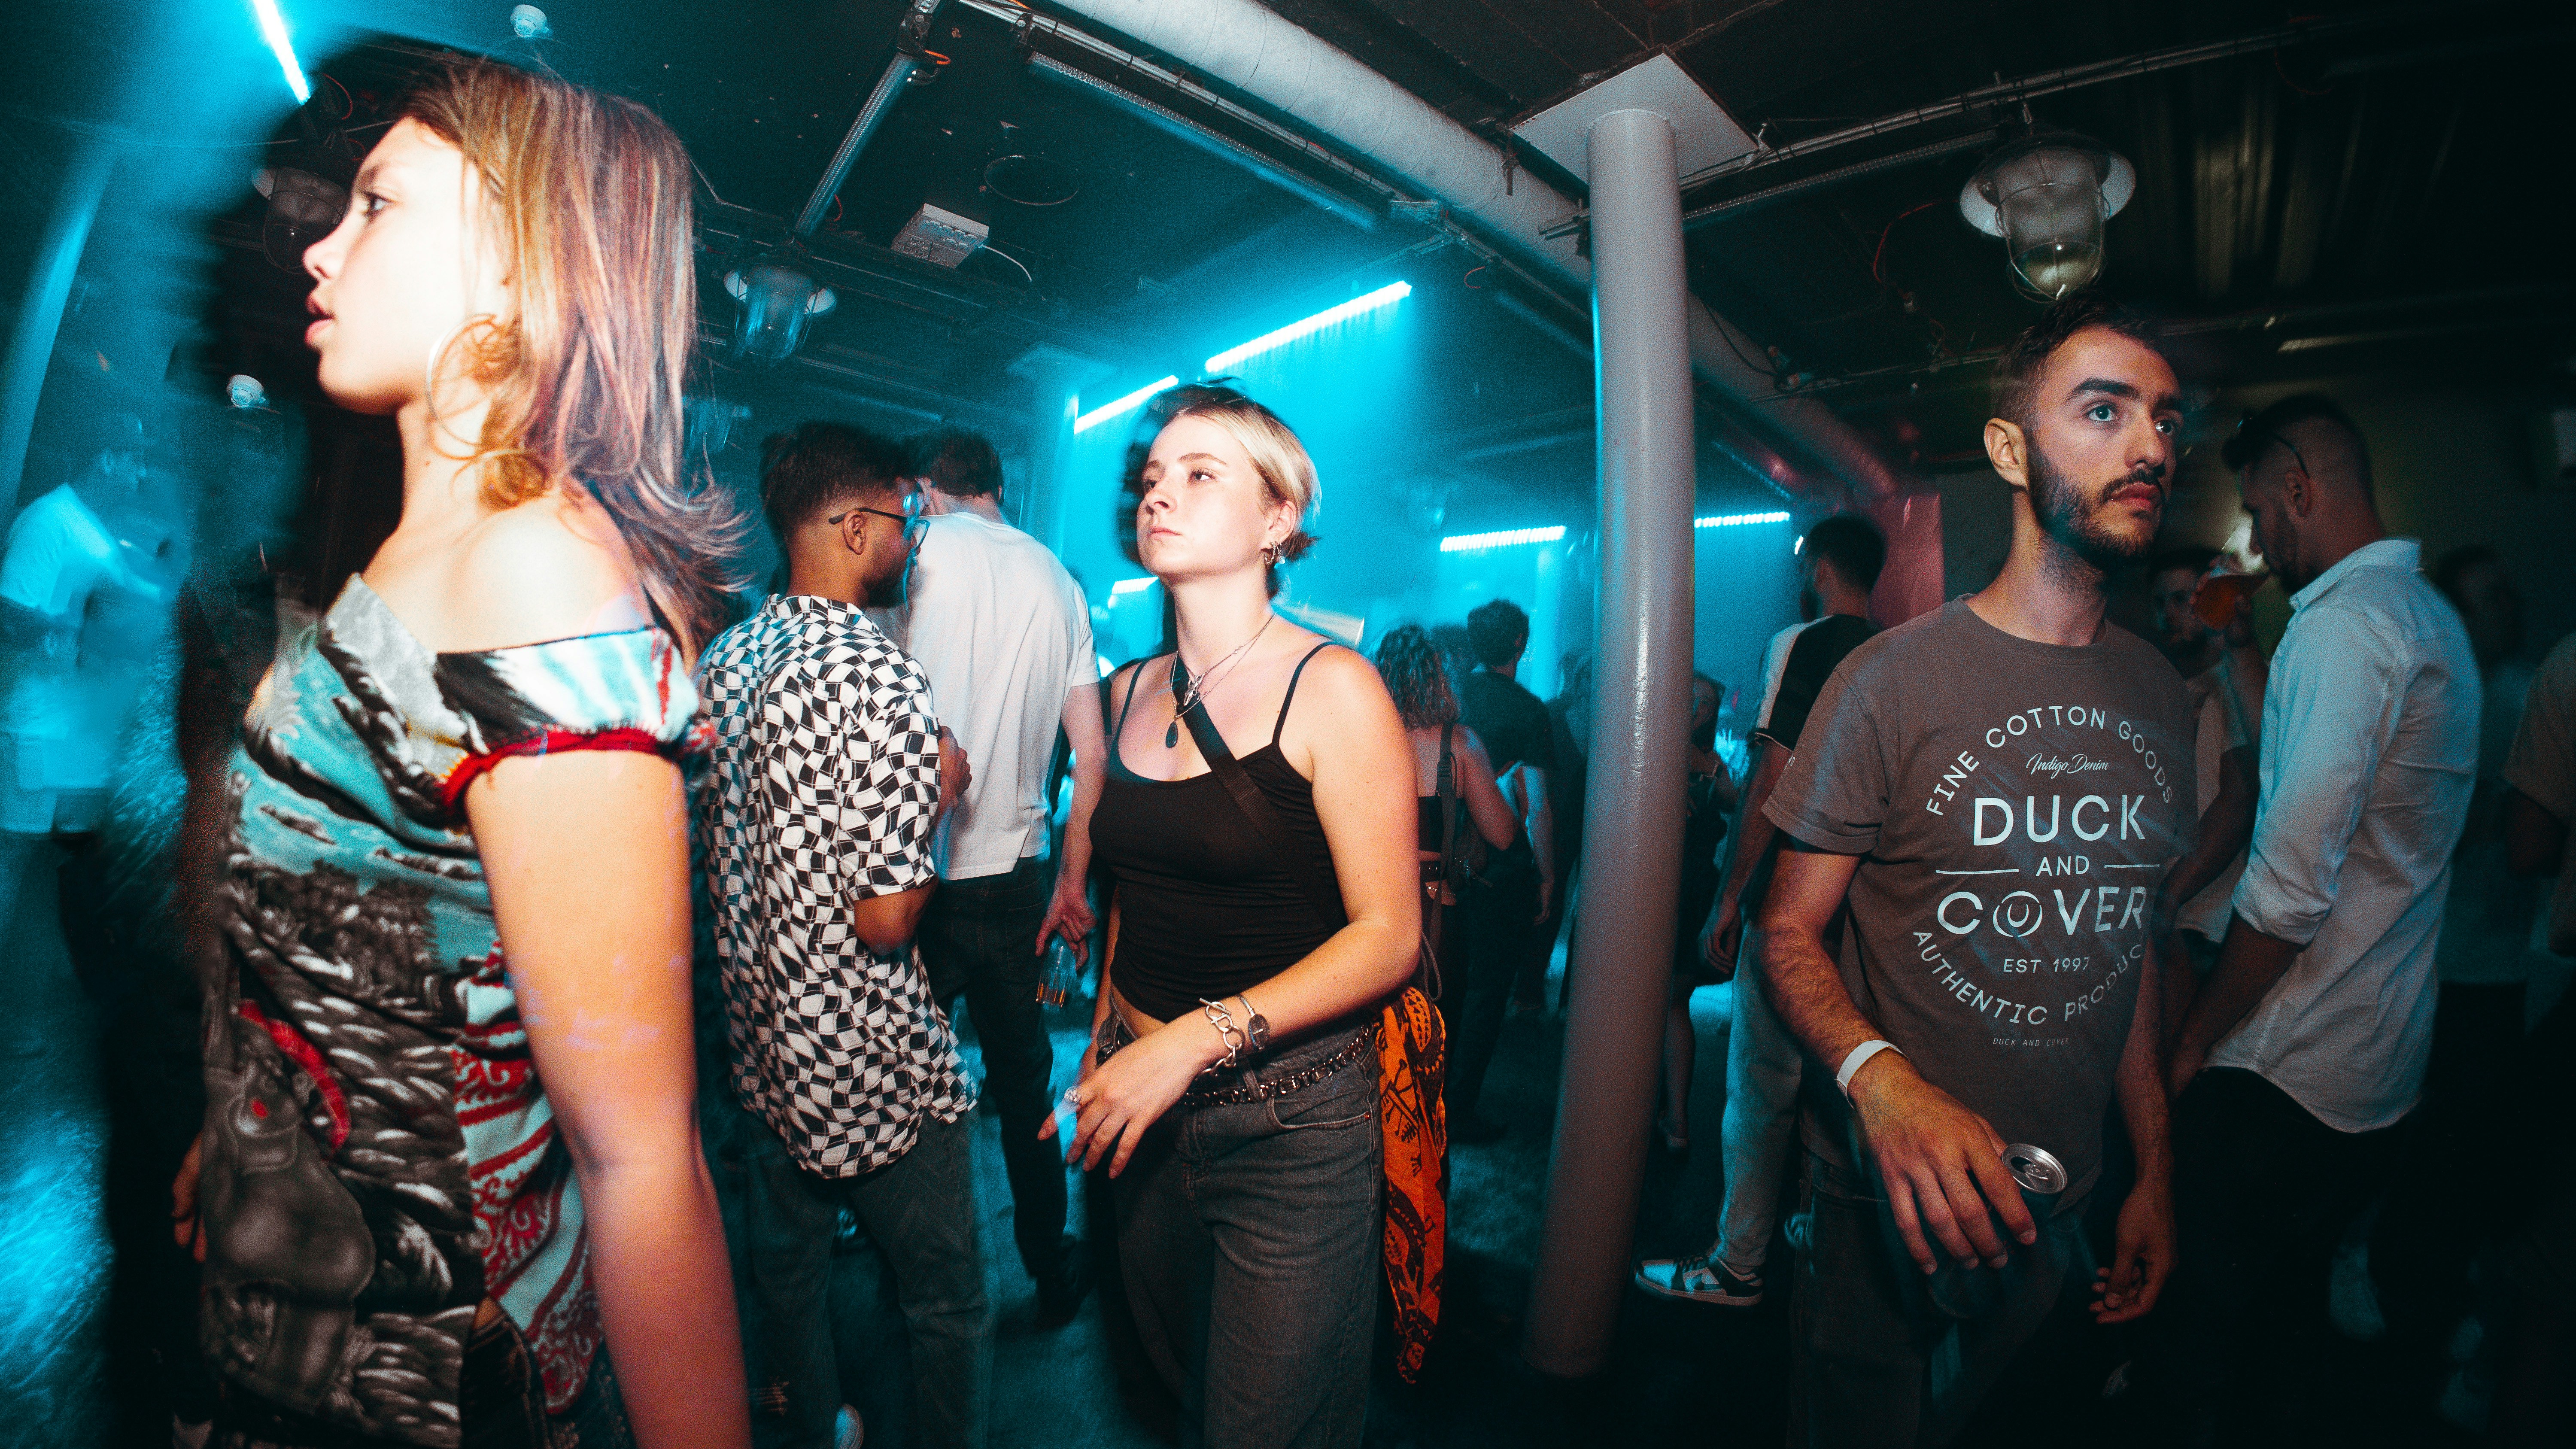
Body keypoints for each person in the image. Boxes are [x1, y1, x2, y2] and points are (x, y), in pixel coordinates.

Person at [170, 57, 749, 1448]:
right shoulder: (430, 543)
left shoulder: (531, 579)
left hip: (416, 1375)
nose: (323, 245)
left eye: (379, 206)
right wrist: (249, 1126)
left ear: (522, 266)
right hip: (301, 1315)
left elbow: (639, 1157)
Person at [1757, 290, 2195, 1445]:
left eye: (2164, 417)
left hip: (2067, 1193)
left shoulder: (2161, 691)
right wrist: (1881, 1082)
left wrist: (2152, 1164)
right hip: (1882, 1191)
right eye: (2104, 410)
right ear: (2009, 447)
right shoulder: (1891, 679)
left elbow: (2131, 946)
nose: (2150, 444)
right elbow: (1787, 931)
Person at [1050, 384, 1416, 1449]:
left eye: (1200, 473)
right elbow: (1132, 893)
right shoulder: (1124, 694)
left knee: (1263, 1427)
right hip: (1144, 1109)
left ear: (1276, 520)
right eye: (1154, 477)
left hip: (1292, 1119)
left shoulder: (1334, 687)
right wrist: (1108, 1041)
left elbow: (1389, 934)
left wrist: (1195, 1043)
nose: (1161, 492)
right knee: (1174, 1391)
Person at [2152, 393, 2479, 1445]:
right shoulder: (2431, 619)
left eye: (2260, 512)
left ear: (2300, 488)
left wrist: (2195, 1038)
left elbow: (2289, 888)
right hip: (2379, 1061)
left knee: (2204, 1346)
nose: (2259, 540)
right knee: (2285, 1342)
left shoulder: (2343, 627)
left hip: (2289, 1068)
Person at [700, 422, 991, 1449]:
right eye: (905, 519)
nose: (911, 540)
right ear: (853, 524)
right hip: (867, 1058)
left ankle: (820, 1429)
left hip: (765, 1049)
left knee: (791, 1285)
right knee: (947, 1299)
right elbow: (887, 917)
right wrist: (941, 795)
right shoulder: (880, 676)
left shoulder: (730, 657)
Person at [876, 425, 1105, 1326]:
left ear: (929, 488)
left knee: (901, 1081)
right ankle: (1051, 1267)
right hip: (1019, 877)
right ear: (997, 486)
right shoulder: (1060, 580)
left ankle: (908, 1284)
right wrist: (1073, 883)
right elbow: (1091, 757)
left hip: (917, 875)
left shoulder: (916, 553)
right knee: (1023, 1089)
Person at [1634, 511, 1882, 1308]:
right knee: (1832, 1077)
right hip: (1861, 905)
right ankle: (1812, 1226)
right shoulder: (1892, 649)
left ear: (1816, 566)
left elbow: (1771, 777)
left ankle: (1737, 1262)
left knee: (1760, 1082)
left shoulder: (1799, 644)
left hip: (1790, 900)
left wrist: (1731, 896)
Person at [0, 413, 166, 845]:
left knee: (49, 863)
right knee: (12, 860)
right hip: (32, 722)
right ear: (108, 460)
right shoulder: (50, 520)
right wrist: (87, 626)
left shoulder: (91, 527)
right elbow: (9, 612)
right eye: (135, 460)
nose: (142, 473)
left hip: (69, 727)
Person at [2141, 545, 2263, 1043]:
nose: (2170, 613)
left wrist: (2170, 897)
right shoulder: (2169, 688)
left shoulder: (2233, 684)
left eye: (2182, 599)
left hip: (2209, 923)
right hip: (2173, 924)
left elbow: (2239, 801)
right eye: (2160, 602)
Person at [1448, 597, 1555, 1138]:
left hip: (1443, 863)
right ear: (1521, 643)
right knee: (1488, 992)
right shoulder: (1530, 711)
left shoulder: (1449, 697)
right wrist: (1549, 875)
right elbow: (1535, 805)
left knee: (1443, 984)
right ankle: (1460, 1109)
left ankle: (1426, 1098)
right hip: (1501, 871)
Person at [1372, 623, 1520, 998]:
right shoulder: (1459, 744)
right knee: (1434, 1039)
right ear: (1438, 676)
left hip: (1370, 910)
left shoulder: (1359, 739)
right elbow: (1503, 835)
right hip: (1434, 914)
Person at [1653, 672, 1737, 1151]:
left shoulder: (1699, 760)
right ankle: (1672, 1119)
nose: (1694, 710)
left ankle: (1674, 1120)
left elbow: (1742, 804)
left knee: (1668, 1001)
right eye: (1688, 699)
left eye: (1703, 703)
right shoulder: (1692, 759)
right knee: (1665, 1003)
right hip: (1666, 887)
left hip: (1683, 889)